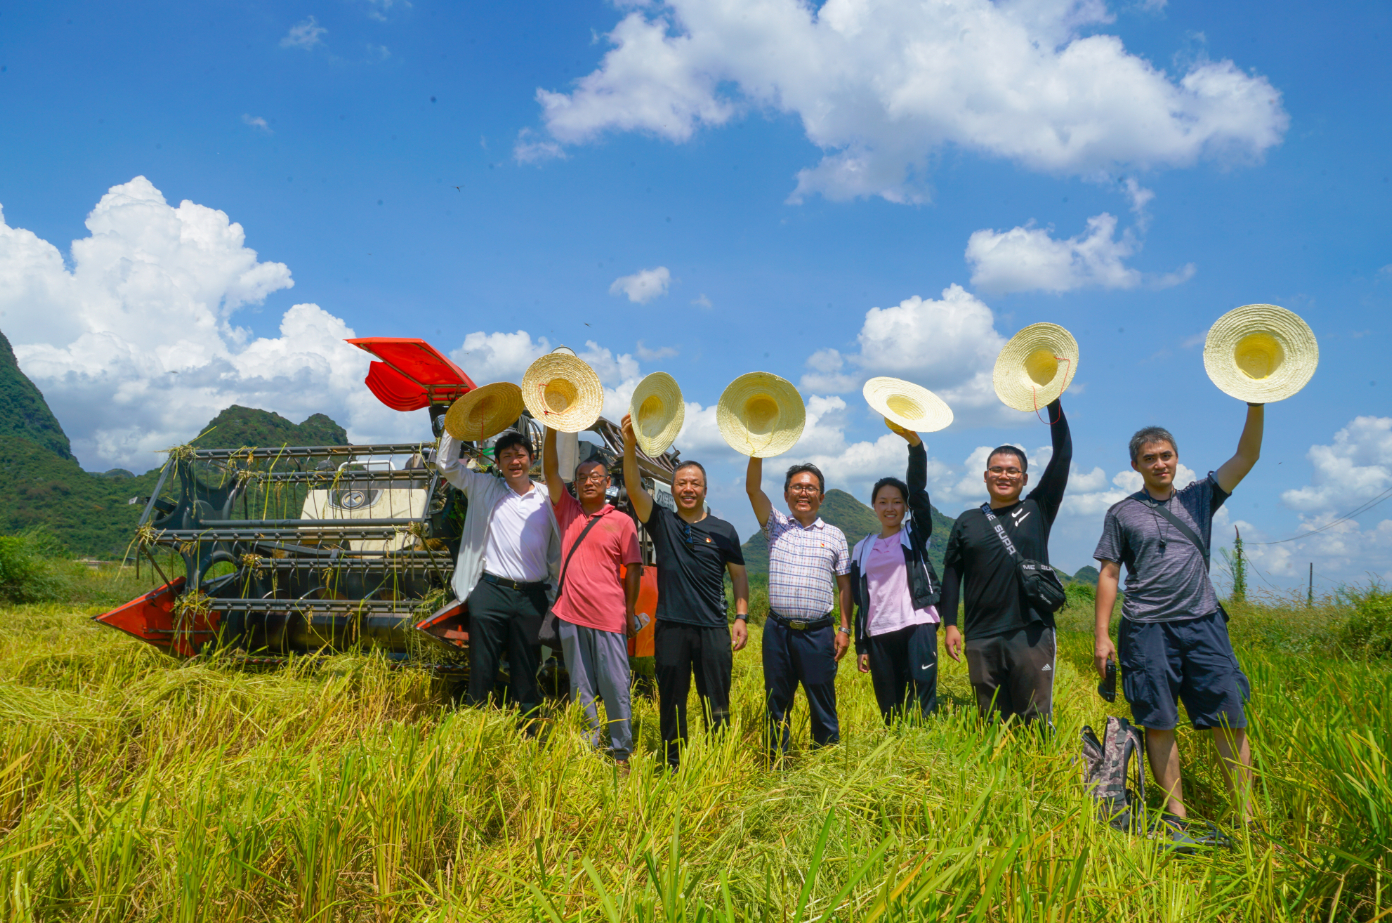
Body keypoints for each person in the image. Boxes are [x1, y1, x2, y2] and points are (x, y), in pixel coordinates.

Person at [1093, 406, 1263, 837]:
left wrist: (1256, 401)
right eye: (1149, 458)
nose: (1159, 464)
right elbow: (1109, 573)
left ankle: (1248, 821)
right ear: (1136, 465)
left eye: (1166, 455)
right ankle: (1177, 819)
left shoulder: (1199, 498)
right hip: (1146, 629)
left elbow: (1247, 457)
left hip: (1204, 624)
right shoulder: (1122, 513)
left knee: (1229, 718)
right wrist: (1102, 635)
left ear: (1177, 459)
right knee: (1159, 721)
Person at [621, 413, 749, 771]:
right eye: (681, 483)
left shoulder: (724, 530)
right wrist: (630, 445)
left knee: (716, 702)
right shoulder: (663, 521)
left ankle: (719, 765)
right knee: (672, 701)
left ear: (705, 490)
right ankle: (673, 764)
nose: (688, 488)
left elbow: (739, 576)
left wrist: (741, 616)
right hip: (671, 627)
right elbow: (634, 488)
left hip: (713, 628)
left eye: (695, 483)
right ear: (673, 488)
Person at [940, 398, 1072, 724]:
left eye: (1012, 470)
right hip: (980, 634)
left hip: (1031, 631)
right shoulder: (967, 520)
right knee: (991, 720)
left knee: (1035, 718)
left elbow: (1063, 454)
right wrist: (951, 624)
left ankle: (1039, 759)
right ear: (986, 476)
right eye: (997, 470)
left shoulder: (1038, 508)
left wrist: (1052, 400)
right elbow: (953, 574)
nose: (1004, 475)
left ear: (1024, 479)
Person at [436, 428, 561, 727]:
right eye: (507, 456)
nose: (515, 461)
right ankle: (475, 725)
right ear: (498, 463)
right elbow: (447, 466)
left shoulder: (548, 497)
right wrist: (454, 427)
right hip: (491, 591)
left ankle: (528, 727)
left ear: (532, 459)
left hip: (532, 595)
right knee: (482, 664)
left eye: (520, 455)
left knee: (527, 665)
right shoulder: (484, 487)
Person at [542, 428, 642, 771]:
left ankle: (621, 753)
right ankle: (588, 749)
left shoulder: (622, 522)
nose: (588, 482)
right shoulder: (567, 511)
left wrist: (629, 612)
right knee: (580, 688)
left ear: (607, 482)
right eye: (582, 477)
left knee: (616, 686)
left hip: (609, 617)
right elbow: (550, 471)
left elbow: (633, 569)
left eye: (595, 477)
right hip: (571, 616)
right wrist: (550, 429)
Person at [745, 455, 851, 759]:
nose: (803, 493)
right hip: (777, 631)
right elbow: (753, 489)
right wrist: (757, 451)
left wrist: (844, 628)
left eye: (810, 488)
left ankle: (824, 762)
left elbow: (845, 586)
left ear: (821, 496)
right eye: (797, 487)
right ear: (786, 494)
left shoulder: (835, 535)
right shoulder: (775, 525)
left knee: (822, 700)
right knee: (776, 701)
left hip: (818, 633)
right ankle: (776, 763)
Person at [849, 422, 943, 724]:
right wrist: (861, 645)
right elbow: (861, 601)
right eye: (883, 502)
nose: (890, 508)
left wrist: (915, 446)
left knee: (923, 701)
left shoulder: (914, 536)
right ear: (874, 506)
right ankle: (895, 751)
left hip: (917, 624)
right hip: (879, 631)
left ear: (905, 507)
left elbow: (918, 492)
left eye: (897, 502)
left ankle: (925, 750)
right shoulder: (861, 548)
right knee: (890, 709)